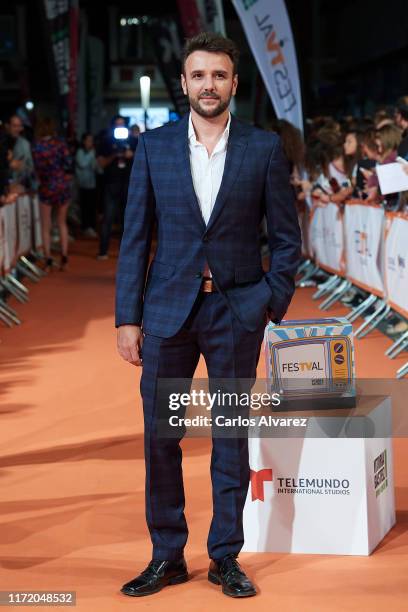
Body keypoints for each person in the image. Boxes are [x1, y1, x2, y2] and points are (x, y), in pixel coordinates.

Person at [115, 32, 301, 598]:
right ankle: (168, 555)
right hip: (168, 314)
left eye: (219, 75)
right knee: (161, 438)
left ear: (234, 83)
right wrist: (128, 317)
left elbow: (288, 242)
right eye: (199, 76)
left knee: (229, 438)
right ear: (185, 84)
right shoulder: (155, 147)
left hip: (235, 312)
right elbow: (134, 238)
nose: (209, 85)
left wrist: (269, 299)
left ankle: (225, 556)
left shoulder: (264, 148)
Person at [32, 117, 72, 270]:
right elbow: (68, 163)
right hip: (62, 184)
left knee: (46, 225)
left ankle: (48, 258)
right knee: (62, 222)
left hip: (46, 186)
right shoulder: (60, 144)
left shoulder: (37, 147)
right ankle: (64, 256)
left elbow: (36, 168)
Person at [96, 115, 134, 259]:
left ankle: (125, 252)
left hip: (128, 184)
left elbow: (143, 162)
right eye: (117, 125)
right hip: (110, 184)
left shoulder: (133, 141)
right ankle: (103, 250)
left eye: (122, 125)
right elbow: (101, 163)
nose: (120, 128)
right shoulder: (105, 142)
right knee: (108, 218)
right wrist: (114, 155)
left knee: (128, 219)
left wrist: (132, 155)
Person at [4, 114, 36, 192]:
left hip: (19, 188)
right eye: (14, 126)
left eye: (19, 126)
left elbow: (31, 167)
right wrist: (8, 164)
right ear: (7, 126)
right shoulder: (2, 143)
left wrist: (22, 167)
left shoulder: (25, 144)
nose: (17, 129)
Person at [75, 133, 98, 237]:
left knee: (92, 207)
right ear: (83, 141)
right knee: (84, 207)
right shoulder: (80, 152)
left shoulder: (93, 153)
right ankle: (85, 227)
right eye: (88, 140)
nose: (90, 142)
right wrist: (92, 153)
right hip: (82, 185)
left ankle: (91, 227)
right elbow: (82, 164)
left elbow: (96, 168)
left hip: (92, 184)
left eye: (91, 140)